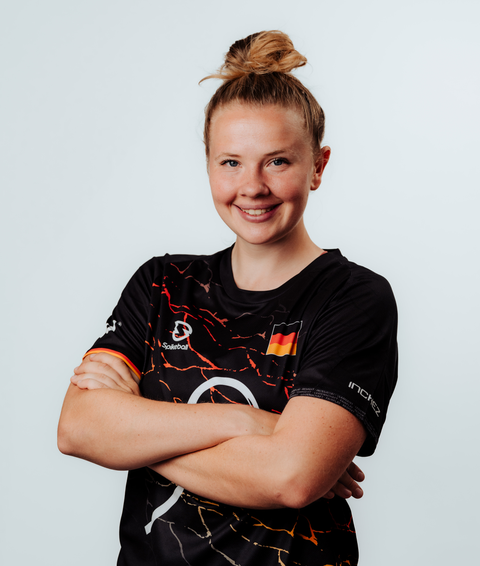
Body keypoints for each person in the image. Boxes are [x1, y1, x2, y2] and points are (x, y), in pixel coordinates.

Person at [58, 30, 398, 566]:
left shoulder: (353, 299)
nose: (253, 186)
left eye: (277, 161)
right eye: (231, 162)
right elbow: (78, 428)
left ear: (318, 166)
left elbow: (290, 477)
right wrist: (252, 423)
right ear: (209, 164)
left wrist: (133, 435)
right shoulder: (161, 284)